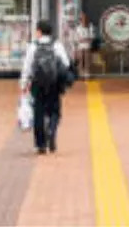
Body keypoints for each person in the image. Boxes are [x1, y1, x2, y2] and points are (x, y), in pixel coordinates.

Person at [20, 20, 72, 155]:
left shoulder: (33, 46)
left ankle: (40, 145)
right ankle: (52, 130)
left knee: (38, 112)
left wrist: (24, 83)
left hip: (37, 83)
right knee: (55, 110)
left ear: (39, 31)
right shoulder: (57, 45)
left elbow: (27, 66)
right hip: (53, 83)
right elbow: (66, 64)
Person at [73, 15, 96, 79]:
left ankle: (87, 74)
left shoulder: (90, 27)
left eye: (85, 19)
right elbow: (76, 38)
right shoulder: (78, 28)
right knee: (80, 61)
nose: (84, 20)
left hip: (87, 47)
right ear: (80, 20)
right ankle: (81, 74)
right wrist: (82, 40)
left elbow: (92, 37)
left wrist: (85, 39)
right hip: (80, 47)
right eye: (82, 19)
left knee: (87, 61)